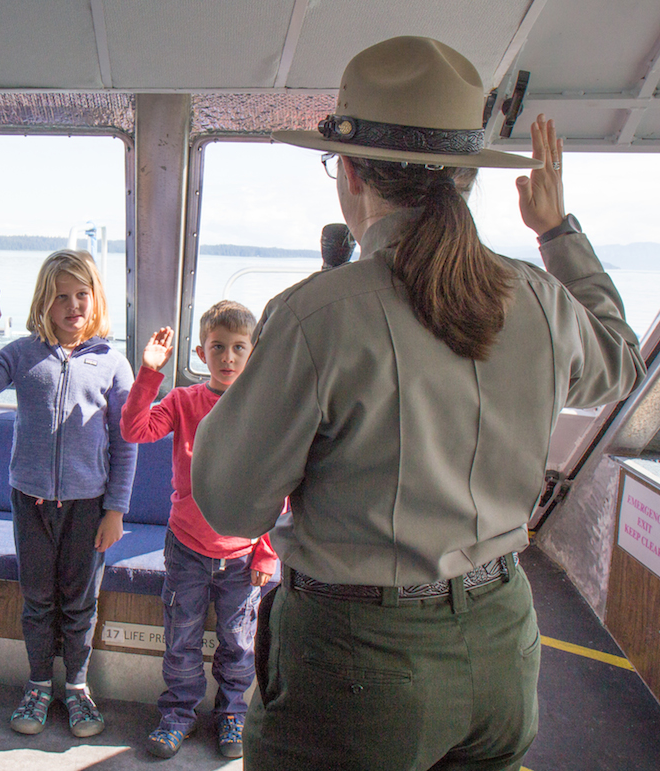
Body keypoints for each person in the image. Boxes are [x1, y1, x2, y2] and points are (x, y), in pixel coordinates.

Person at [191, 36, 646, 771]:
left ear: (350, 174)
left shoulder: (316, 315)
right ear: (464, 178)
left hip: (358, 663)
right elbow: (620, 362)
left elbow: (229, 503)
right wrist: (557, 233)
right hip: (501, 641)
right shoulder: (535, 296)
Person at [0, 249, 138, 738]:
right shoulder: (20, 353)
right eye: (61, 297)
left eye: (81, 294)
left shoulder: (112, 362)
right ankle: (37, 685)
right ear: (44, 302)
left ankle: (76, 687)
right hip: (29, 501)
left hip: (88, 505)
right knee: (37, 601)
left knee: (79, 602)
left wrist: (115, 509)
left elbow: (126, 443)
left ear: (95, 299)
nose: (73, 305)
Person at [120, 301, 279, 760]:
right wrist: (149, 374)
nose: (228, 357)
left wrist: (267, 551)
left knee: (238, 642)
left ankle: (232, 714)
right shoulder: (184, 401)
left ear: (253, 351)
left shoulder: (264, 410)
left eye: (237, 348)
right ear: (199, 352)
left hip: (243, 554)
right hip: (186, 549)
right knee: (181, 639)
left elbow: (277, 486)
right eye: (217, 348)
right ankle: (178, 715)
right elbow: (134, 429)